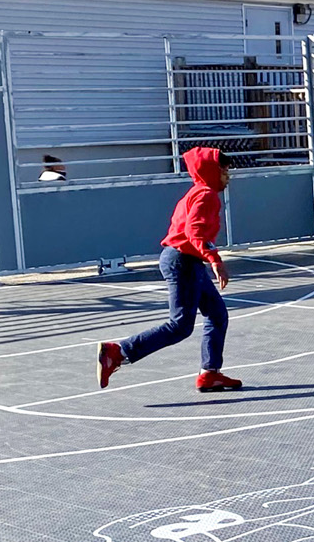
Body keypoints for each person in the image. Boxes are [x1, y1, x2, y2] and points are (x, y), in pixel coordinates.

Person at [97, 146, 241, 393]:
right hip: (183, 261)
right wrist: (215, 260)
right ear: (211, 171)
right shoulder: (206, 195)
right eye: (224, 171)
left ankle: (210, 373)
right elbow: (194, 231)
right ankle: (118, 351)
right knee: (180, 326)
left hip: (186, 260)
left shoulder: (197, 192)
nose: (228, 176)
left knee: (217, 314)